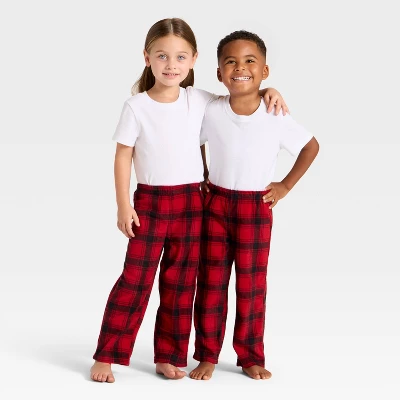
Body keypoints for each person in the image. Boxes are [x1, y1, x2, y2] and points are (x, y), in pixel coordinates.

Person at [90, 19, 288, 383]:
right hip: (150, 204)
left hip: (193, 203)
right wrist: (123, 204)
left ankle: (169, 355)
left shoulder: (199, 100)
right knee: (135, 279)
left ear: (194, 59)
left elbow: (240, 92)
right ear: (147, 58)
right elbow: (123, 155)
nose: (171, 65)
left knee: (181, 284)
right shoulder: (136, 106)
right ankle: (107, 355)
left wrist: (268, 89)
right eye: (162, 56)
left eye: (181, 57)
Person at [190, 30, 319, 381]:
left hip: (255, 208)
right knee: (211, 283)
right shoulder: (211, 110)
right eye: (230, 62)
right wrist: (202, 173)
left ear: (265, 71)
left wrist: (285, 185)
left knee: (251, 285)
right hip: (215, 204)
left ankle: (250, 355)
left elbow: (310, 146)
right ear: (219, 73)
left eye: (250, 61)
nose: (240, 68)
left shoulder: (275, 113)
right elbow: (192, 138)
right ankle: (207, 354)